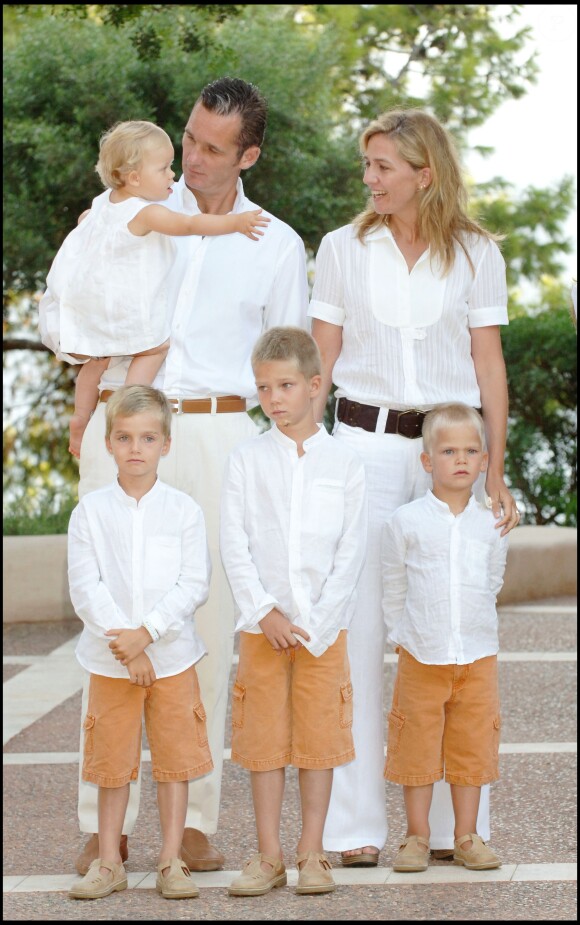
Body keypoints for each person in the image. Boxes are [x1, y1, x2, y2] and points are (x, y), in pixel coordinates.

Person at [41, 77, 309, 878]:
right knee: (107, 619)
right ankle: (103, 822)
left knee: (206, 629)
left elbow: (289, 364)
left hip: (223, 432)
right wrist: (85, 410)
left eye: (211, 147)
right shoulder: (124, 209)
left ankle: (192, 819)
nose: (191, 157)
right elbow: (78, 302)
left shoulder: (278, 242)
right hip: (126, 420)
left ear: (249, 155)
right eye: (188, 138)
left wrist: (287, 467)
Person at [308, 108, 520, 865]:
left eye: (384, 167)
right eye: (366, 166)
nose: (370, 179)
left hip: (447, 453)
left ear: (424, 172)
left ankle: (467, 828)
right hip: (360, 449)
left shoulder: (476, 254)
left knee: (458, 635)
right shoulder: (341, 248)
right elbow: (321, 355)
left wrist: (495, 465)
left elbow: (488, 363)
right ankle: (358, 827)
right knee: (358, 633)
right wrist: (304, 452)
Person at [220, 327, 367, 896]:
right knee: (262, 744)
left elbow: (349, 552)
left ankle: (312, 853)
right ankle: (268, 854)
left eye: (285, 385)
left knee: (318, 742)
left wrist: (319, 624)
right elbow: (235, 543)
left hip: (323, 634)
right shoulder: (246, 460)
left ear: (314, 385)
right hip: (262, 630)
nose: (274, 398)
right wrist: (265, 612)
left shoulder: (345, 464)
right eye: (263, 387)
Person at [39, 119, 269, 459]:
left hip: (96, 306)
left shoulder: (103, 203)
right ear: (134, 178)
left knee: (98, 361)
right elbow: (190, 224)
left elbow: (84, 224)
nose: (173, 176)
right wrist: (235, 222)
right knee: (154, 348)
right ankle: (130, 403)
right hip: (125, 310)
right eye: (164, 168)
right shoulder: (146, 213)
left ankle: (80, 418)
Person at [67, 385, 213, 901]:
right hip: (111, 664)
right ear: (107, 443)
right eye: (125, 438)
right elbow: (86, 588)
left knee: (175, 761)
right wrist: (127, 645)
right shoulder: (90, 513)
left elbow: (194, 583)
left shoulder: (185, 511)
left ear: (165, 445)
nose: (136, 448)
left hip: (172, 659)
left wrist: (147, 634)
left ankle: (172, 860)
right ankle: (108, 861)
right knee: (111, 764)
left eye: (147, 438)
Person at [381, 403, 508, 872]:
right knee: (415, 744)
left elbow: (493, 581)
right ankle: (416, 837)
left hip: (477, 655)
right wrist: (402, 634)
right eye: (449, 450)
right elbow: (394, 584)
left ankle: (466, 836)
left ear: (483, 460)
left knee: (471, 745)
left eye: (471, 451)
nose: (460, 459)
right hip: (422, 654)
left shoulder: (491, 524)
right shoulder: (407, 522)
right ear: (427, 460)